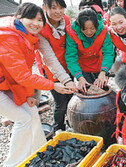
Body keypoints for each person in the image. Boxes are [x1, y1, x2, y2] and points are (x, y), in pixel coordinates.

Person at [0, 3, 73, 166]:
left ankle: (40, 152)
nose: (36, 23)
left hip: (7, 84)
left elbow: (20, 72)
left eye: (39, 20)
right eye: (31, 18)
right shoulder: (8, 37)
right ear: (19, 17)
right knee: (23, 119)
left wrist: (27, 95)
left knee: (32, 111)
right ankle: (13, 163)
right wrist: (53, 85)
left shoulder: (27, 35)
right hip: (4, 86)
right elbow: (22, 76)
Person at [37, 0, 77, 133]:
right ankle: (58, 128)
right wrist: (67, 80)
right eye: (53, 7)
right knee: (60, 103)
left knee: (72, 99)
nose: (58, 11)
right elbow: (49, 58)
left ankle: (71, 124)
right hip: (51, 70)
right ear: (44, 8)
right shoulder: (41, 27)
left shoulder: (66, 20)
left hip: (67, 65)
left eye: (61, 7)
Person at [65, 8, 115, 92]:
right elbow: (71, 57)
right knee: (87, 90)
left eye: (92, 28)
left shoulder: (103, 30)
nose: (89, 32)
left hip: (98, 64)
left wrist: (103, 72)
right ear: (79, 26)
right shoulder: (72, 32)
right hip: (82, 67)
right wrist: (79, 77)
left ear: (97, 25)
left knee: (101, 88)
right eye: (84, 29)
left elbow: (108, 53)